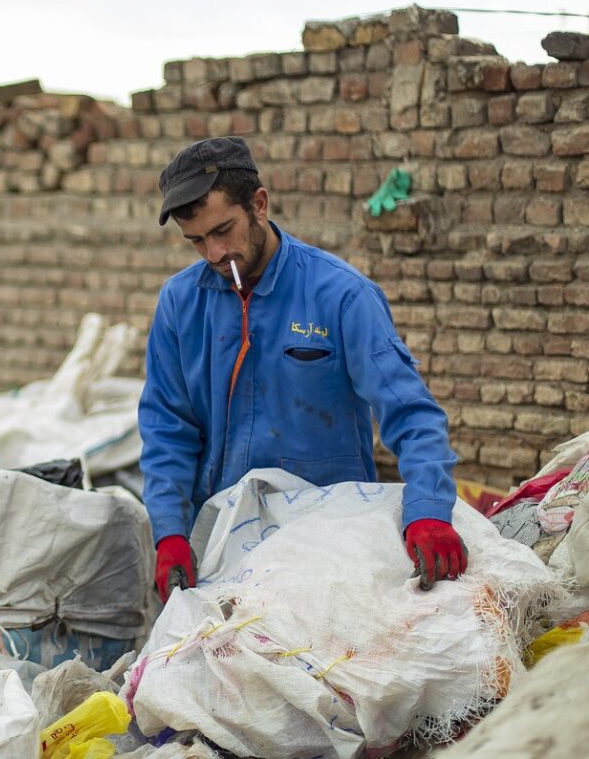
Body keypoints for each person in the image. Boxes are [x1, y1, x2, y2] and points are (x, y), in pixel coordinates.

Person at [139, 136, 466, 602]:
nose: (213, 254)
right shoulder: (179, 302)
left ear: (260, 204)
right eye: (197, 241)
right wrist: (170, 531)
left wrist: (429, 510)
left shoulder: (342, 295)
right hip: (221, 543)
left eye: (223, 230)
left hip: (329, 545)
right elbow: (167, 426)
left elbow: (411, 412)